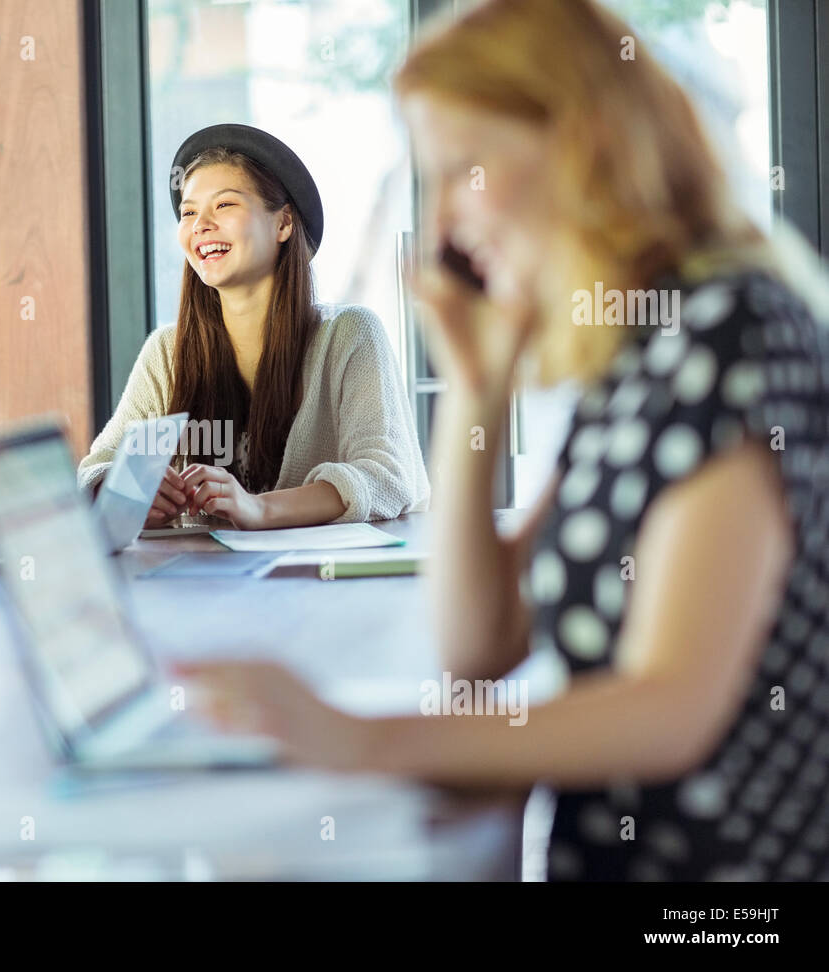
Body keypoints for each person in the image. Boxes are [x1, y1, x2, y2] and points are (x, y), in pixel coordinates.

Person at [179, 0, 829, 881]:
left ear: (584, 143)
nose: (444, 221)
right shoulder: (645, 352)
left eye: (466, 169)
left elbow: (671, 711)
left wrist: (354, 738)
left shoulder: (728, 335)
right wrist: (477, 391)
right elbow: (480, 642)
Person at [77, 124, 430, 529]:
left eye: (224, 206)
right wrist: (125, 491)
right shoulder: (166, 353)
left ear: (283, 224)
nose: (200, 225)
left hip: (318, 587)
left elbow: (386, 476)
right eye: (189, 212)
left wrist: (258, 508)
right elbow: (95, 468)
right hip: (196, 587)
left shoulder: (349, 335)